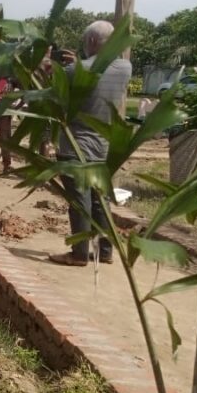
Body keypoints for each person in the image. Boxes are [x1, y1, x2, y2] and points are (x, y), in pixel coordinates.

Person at [48, 20, 132, 267]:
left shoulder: (74, 70)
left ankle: (79, 253)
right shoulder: (125, 67)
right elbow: (100, 70)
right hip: (104, 148)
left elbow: (57, 101)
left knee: (79, 201)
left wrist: (64, 68)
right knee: (101, 201)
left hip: (76, 145)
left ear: (92, 42)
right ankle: (105, 251)